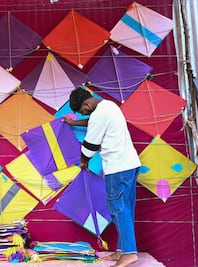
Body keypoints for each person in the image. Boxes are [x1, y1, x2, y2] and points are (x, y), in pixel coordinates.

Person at [63, 87, 141, 267]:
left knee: (118, 210)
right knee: (125, 209)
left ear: (87, 104)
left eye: (83, 110)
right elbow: (92, 122)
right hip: (130, 165)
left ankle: (129, 253)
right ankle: (122, 250)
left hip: (117, 168)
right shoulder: (108, 107)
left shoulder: (99, 115)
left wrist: (83, 162)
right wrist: (74, 123)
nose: (84, 114)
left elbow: (90, 145)